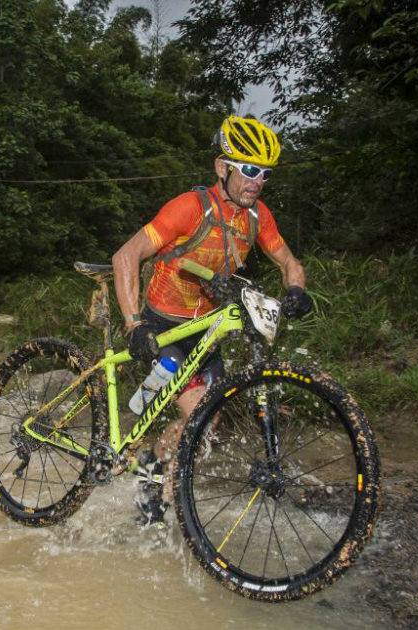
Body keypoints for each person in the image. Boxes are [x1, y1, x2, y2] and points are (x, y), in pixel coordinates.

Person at [110, 115, 314, 524]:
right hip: (164, 325)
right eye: (249, 170)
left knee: (208, 423)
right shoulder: (190, 208)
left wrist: (296, 289)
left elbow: (289, 261)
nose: (257, 182)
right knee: (200, 415)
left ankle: (153, 468)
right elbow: (126, 256)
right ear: (223, 168)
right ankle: (160, 511)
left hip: (206, 329)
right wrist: (134, 325)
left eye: (265, 174)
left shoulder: (256, 216)